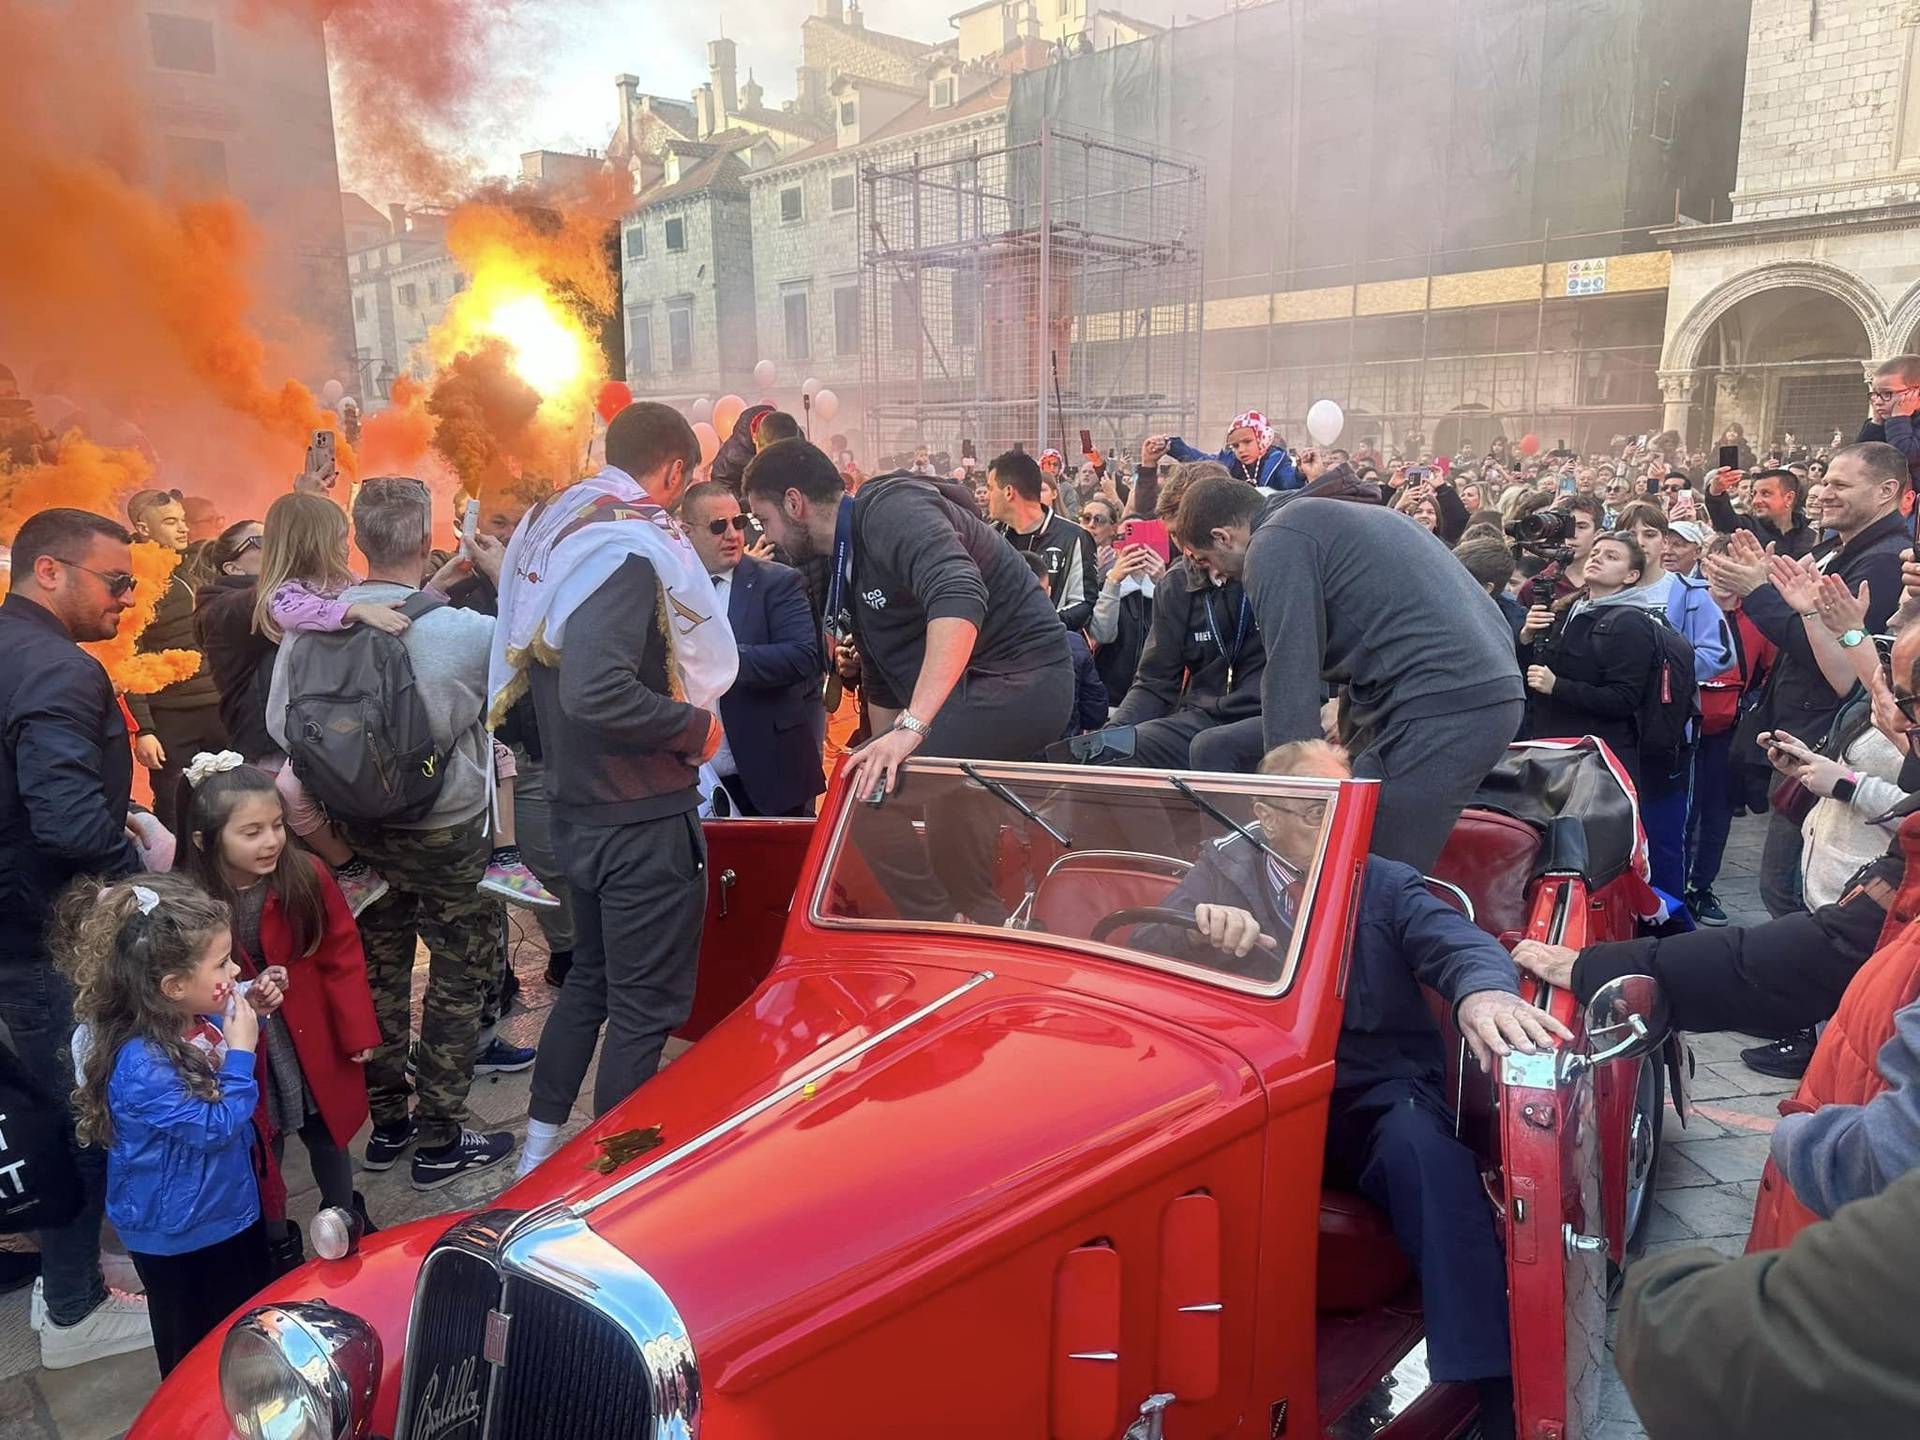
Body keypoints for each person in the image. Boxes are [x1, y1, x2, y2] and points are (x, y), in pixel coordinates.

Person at [1141, 741, 1568, 1437]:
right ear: (1264, 814)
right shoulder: (1219, 874)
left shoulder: (1382, 882)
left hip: (1371, 1090)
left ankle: (1493, 1381)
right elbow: (1147, 960)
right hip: (1259, 1096)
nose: (1336, 829)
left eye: (1347, 810)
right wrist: (1198, 937)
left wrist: (1482, 992)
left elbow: (1453, 941)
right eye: (1316, 813)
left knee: (1424, 1154)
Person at [494, 404, 736, 1175]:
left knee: (590, 983)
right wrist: (691, 730)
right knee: (642, 1010)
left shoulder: (558, 524)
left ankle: (538, 1155)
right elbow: (594, 690)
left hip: (582, 807)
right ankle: (616, 1178)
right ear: (673, 472)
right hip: (637, 817)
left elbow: (536, 683)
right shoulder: (625, 546)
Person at [267, 478, 518, 1190]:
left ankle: (389, 1126)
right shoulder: (465, 635)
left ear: (358, 538)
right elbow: (529, 668)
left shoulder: (316, 626)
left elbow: (284, 726)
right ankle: (441, 1139)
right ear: (427, 534)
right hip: (445, 829)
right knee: (458, 974)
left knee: (377, 973)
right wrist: (498, 576)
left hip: (354, 831)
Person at [743, 439, 1070, 920]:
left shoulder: (889, 508)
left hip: (1020, 681)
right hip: (967, 696)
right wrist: (889, 738)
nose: (764, 534)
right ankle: (975, 929)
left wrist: (911, 730)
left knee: (861, 786)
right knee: (945, 836)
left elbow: (958, 592)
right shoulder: (844, 561)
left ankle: (935, 926)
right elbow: (883, 685)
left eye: (762, 519)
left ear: (794, 503)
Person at [1175, 478, 1525, 873]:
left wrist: (1290, 797)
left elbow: (1291, 676)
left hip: (1444, 706)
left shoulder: (1275, 542)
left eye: (1204, 561)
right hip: (1467, 691)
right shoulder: (1335, 517)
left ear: (1223, 537)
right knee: (1355, 855)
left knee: (1366, 874)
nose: (1216, 576)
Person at [1, 509, 161, 1368]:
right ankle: (73, 1309)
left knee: (45, 1100)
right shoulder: (57, 668)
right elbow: (63, 820)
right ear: (51, 572)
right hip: (42, 929)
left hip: (12, 918)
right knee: (78, 1109)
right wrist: (135, 881)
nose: (130, 599)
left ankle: (68, 1274)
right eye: (116, 582)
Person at [56, 874, 270, 1376]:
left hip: (223, 1209)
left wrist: (246, 1006)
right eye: (221, 963)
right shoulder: (140, 1064)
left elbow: (214, 1033)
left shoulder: (184, 1020)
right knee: (193, 1356)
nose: (235, 970)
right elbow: (214, 1128)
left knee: (245, 1336)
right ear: (171, 987)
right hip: (181, 1236)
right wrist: (241, 1051)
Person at [175, 754, 381, 1273]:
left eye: (277, 826)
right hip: (238, 1041)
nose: (270, 841)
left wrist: (356, 1026)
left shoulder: (305, 874)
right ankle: (276, 1242)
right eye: (251, 832)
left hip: (308, 1030)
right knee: (258, 1142)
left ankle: (345, 1216)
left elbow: (341, 951)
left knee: (325, 1129)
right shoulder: (189, 898)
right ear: (205, 840)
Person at [1705, 443, 1910, 923]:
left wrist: (1758, 594)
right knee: (1790, 882)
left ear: (1885, 492)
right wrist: (1763, 578)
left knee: (1792, 889)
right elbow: (1800, 603)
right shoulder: (1836, 545)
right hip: (1809, 734)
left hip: (1833, 741)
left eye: (1840, 485)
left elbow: (1844, 662)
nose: (1823, 493)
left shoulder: (1882, 561)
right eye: (1825, 482)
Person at [1096, 467, 1267, 772]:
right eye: (1174, 534)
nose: (1185, 549)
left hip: (1267, 716)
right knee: (1120, 749)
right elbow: (1155, 681)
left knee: (1213, 747)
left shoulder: (1271, 567)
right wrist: (1111, 737)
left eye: (1187, 532)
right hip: (1203, 716)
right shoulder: (1176, 584)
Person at [682, 480, 826, 816]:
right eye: (719, 526)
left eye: (740, 522)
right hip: (699, 778)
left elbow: (803, 656)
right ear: (686, 531)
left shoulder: (777, 581)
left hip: (771, 774)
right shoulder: (673, 590)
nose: (732, 534)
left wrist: (722, 657)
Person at [1520, 534, 1668, 787]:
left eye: (1611, 557)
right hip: (1552, 750)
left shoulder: (1631, 623)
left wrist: (1558, 686)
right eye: (1596, 553)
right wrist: (1526, 637)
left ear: (1631, 576)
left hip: (1596, 762)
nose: (1598, 558)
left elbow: (1624, 699)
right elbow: (1531, 676)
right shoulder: (1567, 609)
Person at [1687, 536, 1777, 926]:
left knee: (1717, 813)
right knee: (1682, 814)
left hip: (1729, 730)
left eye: (1735, 567)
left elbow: (1772, 672)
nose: (1725, 576)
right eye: (1720, 565)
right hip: (1682, 729)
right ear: (1706, 565)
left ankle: (1702, 886)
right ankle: (1671, 886)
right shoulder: (1685, 605)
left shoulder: (1759, 618)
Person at [126, 492, 228, 836]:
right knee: (174, 804)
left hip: (219, 707)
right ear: (143, 527)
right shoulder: (134, 579)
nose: (183, 528)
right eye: (171, 521)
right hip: (170, 715)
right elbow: (128, 657)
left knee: (228, 800)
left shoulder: (198, 566)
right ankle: (177, 880)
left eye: (183, 519)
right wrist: (144, 729)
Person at [986, 449, 1099, 632]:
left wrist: (1038, 624)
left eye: (991, 488)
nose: (988, 496)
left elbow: (1084, 603)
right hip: (996, 651)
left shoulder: (1074, 537)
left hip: (1049, 649)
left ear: (1008, 492)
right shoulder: (990, 537)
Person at [192, 520, 273, 763]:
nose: (275, 546)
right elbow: (266, 600)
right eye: (261, 541)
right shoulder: (219, 609)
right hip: (266, 750)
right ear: (233, 568)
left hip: (296, 739)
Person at [1018, 551, 1106, 735]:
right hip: (1058, 756)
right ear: (1048, 592)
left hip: (990, 758)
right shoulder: (1073, 644)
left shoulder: (971, 644)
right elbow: (1095, 714)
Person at [1154, 410, 1298, 490]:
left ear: (1264, 437)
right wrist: (1172, 446)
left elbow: (1289, 482)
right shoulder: (1227, 461)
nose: (1241, 450)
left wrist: (1300, 473)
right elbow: (1200, 460)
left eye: (1247, 442)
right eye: (1235, 446)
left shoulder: (1277, 461)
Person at [1703, 465, 1817, 558]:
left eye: (1765, 494)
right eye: (1754, 494)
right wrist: (1716, 491)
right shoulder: (1748, 528)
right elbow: (1724, 519)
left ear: (1789, 498)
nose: (1756, 501)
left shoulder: (1812, 534)